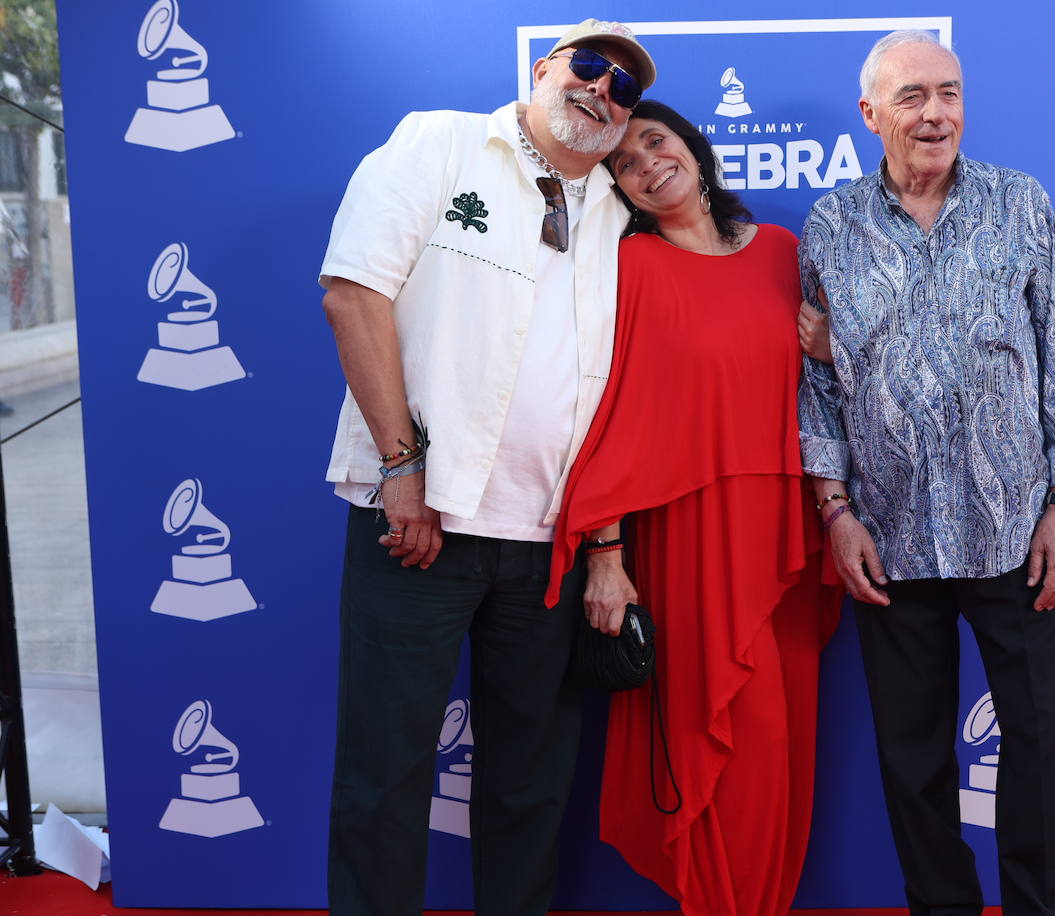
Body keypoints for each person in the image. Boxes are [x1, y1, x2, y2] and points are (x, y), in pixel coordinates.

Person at [316, 20, 656, 916]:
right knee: (385, 773)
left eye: (624, 87)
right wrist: (401, 469)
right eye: (590, 66)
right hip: (419, 521)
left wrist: (605, 545)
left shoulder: (621, 212)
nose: (602, 90)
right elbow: (353, 293)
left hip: (553, 544)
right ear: (545, 68)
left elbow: (623, 386)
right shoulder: (440, 142)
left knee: (530, 784)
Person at [797, 30, 1055, 916]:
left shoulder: (1020, 203)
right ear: (871, 114)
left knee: (1039, 742)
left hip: (1018, 531)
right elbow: (816, 388)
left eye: (949, 92)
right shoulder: (830, 227)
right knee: (911, 756)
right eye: (912, 97)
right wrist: (836, 513)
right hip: (889, 537)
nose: (936, 114)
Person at [548, 99, 842, 916]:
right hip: (687, 531)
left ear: (692, 146)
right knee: (723, 731)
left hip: (787, 530)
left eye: (656, 142)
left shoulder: (782, 251)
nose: (647, 164)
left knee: (783, 738)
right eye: (625, 164)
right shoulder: (630, 267)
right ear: (620, 190)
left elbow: (829, 387)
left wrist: (833, 349)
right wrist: (606, 555)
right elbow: (606, 414)